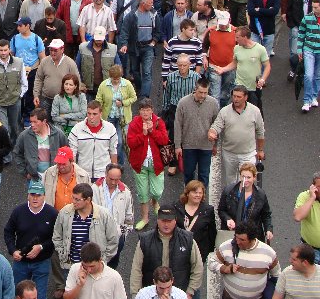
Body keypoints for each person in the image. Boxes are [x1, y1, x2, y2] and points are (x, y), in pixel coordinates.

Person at [208, 221, 280, 299]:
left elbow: (276, 277)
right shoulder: (226, 247)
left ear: (252, 239)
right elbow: (211, 262)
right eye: (236, 237)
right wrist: (225, 268)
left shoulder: (268, 253)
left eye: (242, 240)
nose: (237, 242)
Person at [44, 148, 91, 299]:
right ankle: (60, 284)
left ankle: (78, 279)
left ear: (72, 161)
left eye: (63, 163)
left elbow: (90, 198)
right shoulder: (49, 174)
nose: (60, 166)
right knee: (56, 252)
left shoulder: (83, 176)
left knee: (76, 247)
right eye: (58, 163)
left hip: (75, 218)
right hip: (55, 218)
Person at [3, 180, 58, 299]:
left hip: (42, 262)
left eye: (38, 195)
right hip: (21, 262)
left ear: (44, 196)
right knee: (19, 298)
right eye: (32, 194)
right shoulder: (18, 211)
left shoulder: (53, 214)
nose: (35, 198)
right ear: (28, 195)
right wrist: (13, 250)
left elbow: (57, 238)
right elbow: (8, 232)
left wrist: (41, 247)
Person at [173, 182, 217, 299]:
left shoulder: (207, 210)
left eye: (200, 193)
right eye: (195, 192)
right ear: (187, 193)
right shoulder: (177, 208)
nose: (198, 195)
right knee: (177, 280)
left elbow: (212, 233)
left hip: (198, 253)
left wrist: (207, 252)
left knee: (195, 283)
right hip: (178, 251)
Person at [208, 85, 265, 186]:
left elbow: (260, 132)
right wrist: (212, 132)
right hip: (229, 153)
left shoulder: (255, 111)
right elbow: (216, 126)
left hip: (248, 154)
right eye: (234, 96)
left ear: (246, 97)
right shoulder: (224, 111)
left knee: (246, 181)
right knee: (231, 183)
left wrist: (260, 150)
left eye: (239, 97)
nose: (235, 99)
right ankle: (233, 201)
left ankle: (246, 200)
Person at [127, 99, 170, 230]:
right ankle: (145, 218)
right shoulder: (134, 124)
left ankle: (155, 201)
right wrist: (143, 134)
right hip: (140, 165)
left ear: (152, 110)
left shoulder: (158, 122)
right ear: (139, 111)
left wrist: (152, 131)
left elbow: (164, 140)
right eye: (142, 110)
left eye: (147, 109)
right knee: (142, 192)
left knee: (157, 191)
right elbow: (131, 143)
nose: (145, 112)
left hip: (156, 164)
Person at [174, 78, 220, 187]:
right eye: (201, 92)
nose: (203, 95)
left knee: (204, 175)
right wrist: (177, 146)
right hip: (188, 145)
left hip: (206, 146)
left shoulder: (213, 103)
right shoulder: (183, 103)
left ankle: (201, 200)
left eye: (206, 92)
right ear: (195, 89)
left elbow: (217, 124)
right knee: (188, 174)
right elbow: (177, 124)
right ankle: (189, 198)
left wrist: (215, 145)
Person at [0, 39, 27, 146]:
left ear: (9, 50)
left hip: (15, 100)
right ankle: (6, 155)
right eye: (1, 50)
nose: (3, 53)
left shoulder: (19, 62)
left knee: (15, 128)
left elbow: (24, 82)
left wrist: (19, 95)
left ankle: (16, 149)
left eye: (5, 50)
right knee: (4, 128)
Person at [118, 0, 162, 98]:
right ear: (143, 3)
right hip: (134, 47)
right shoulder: (132, 16)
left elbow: (158, 32)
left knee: (147, 72)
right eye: (150, 3)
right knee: (135, 71)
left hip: (148, 47)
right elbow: (125, 31)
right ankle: (140, 87)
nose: (152, 5)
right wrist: (124, 44)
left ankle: (144, 97)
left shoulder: (154, 15)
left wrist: (154, 42)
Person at [218, 162, 273, 243]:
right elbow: (221, 210)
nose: (245, 180)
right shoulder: (228, 191)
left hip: (252, 235)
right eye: (243, 176)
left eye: (248, 177)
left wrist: (268, 230)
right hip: (232, 233)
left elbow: (266, 215)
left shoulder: (260, 194)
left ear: (254, 177)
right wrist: (228, 219)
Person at [92, 163, 133, 270]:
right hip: (97, 234)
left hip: (117, 236)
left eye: (117, 179)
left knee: (112, 266)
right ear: (105, 174)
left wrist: (123, 233)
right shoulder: (94, 189)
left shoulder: (126, 192)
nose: (114, 182)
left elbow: (129, 216)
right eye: (111, 179)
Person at [68, 101, 118, 182]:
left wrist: (115, 172)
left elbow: (113, 151)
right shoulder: (77, 129)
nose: (91, 117)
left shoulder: (110, 128)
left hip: (103, 174)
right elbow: (72, 153)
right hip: (83, 173)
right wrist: (73, 172)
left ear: (100, 113)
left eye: (94, 114)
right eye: (89, 113)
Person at [13, 107, 68, 181]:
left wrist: (62, 171)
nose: (32, 125)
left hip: (54, 177)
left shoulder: (58, 134)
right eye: (31, 122)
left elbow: (67, 153)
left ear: (44, 121)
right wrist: (25, 173)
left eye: (35, 122)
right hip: (34, 178)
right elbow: (17, 154)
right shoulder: (25, 135)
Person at [33, 39, 80, 115]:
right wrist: (36, 95)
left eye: (55, 50)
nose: (52, 52)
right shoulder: (44, 61)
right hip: (45, 99)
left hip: (64, 100)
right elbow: (38, 79)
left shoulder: (70, 63)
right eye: (51, 50)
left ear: (62, 50)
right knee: (45, 122)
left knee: (59, 123)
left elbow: (77, 82)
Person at [297, 0, 320, 112]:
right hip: (309, 49)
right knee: (308, 75)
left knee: (317, 76)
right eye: (313, 7)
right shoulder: (307, 18)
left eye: (316, 7)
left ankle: (314, 97)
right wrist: (299, 49)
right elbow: (301, 34)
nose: (314, 9)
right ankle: (306, 100)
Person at [293, 172, 320, 264]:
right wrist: (312, 198)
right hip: (310, 251)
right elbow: (298, 216)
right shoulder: (305, 196)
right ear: (313, 187)